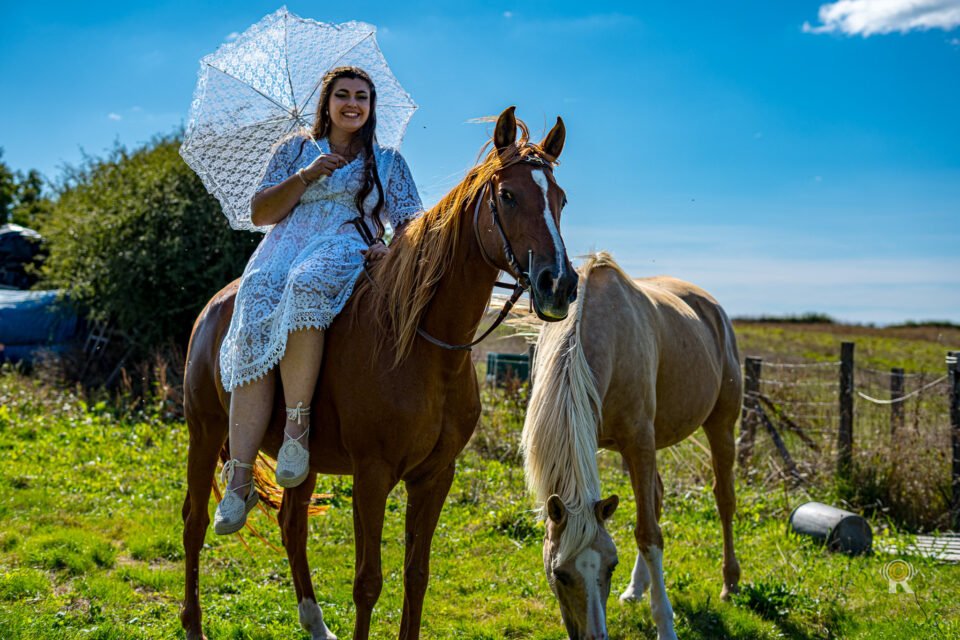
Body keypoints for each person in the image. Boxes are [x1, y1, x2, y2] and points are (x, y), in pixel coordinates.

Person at [213, 66, 423, 535]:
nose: (353, 104)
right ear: (326, 103)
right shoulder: (294, 150)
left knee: (305, 285)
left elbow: (413, 221)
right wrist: (306, 176)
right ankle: (240, 478)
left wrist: (391, 247)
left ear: (371, 108)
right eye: (343, 95)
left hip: (344, 244)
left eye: (362, 97)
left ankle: (296, 430)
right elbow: (261, 212)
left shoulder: (386, 161)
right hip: (282, 246)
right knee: (255, 304)